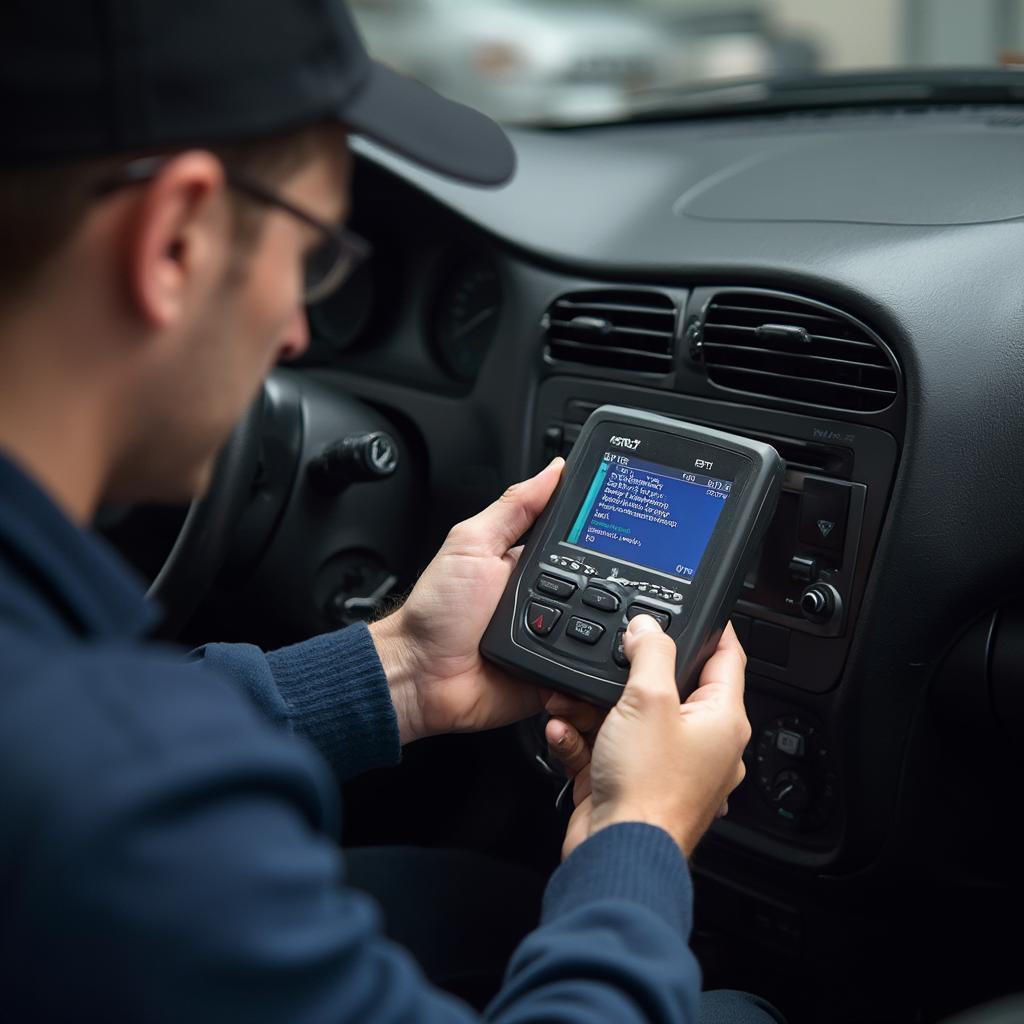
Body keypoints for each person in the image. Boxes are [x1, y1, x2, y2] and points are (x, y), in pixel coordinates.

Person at [0, 1, 782, 1021]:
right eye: (311, 260)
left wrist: (402, 666)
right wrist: (633, 836)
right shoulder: (119, 810)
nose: (293, 331)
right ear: (174, 239)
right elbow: (114, 779)